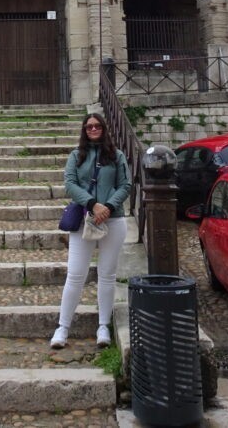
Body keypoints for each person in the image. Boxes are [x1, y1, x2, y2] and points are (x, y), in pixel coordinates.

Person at [51, 112, 131, 350]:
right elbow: (70, 184)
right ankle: (62, 327)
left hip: (112, 220)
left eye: (97, 126)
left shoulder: (116, 156)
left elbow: (125, 184)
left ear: (104, 129)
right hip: (85, 218)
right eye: (89, 127)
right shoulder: (76, 156)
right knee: (75, 274)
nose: (93, 130)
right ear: (84, 131)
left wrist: (107, 206)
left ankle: (103, 326)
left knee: (107, 275)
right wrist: (92, 204)